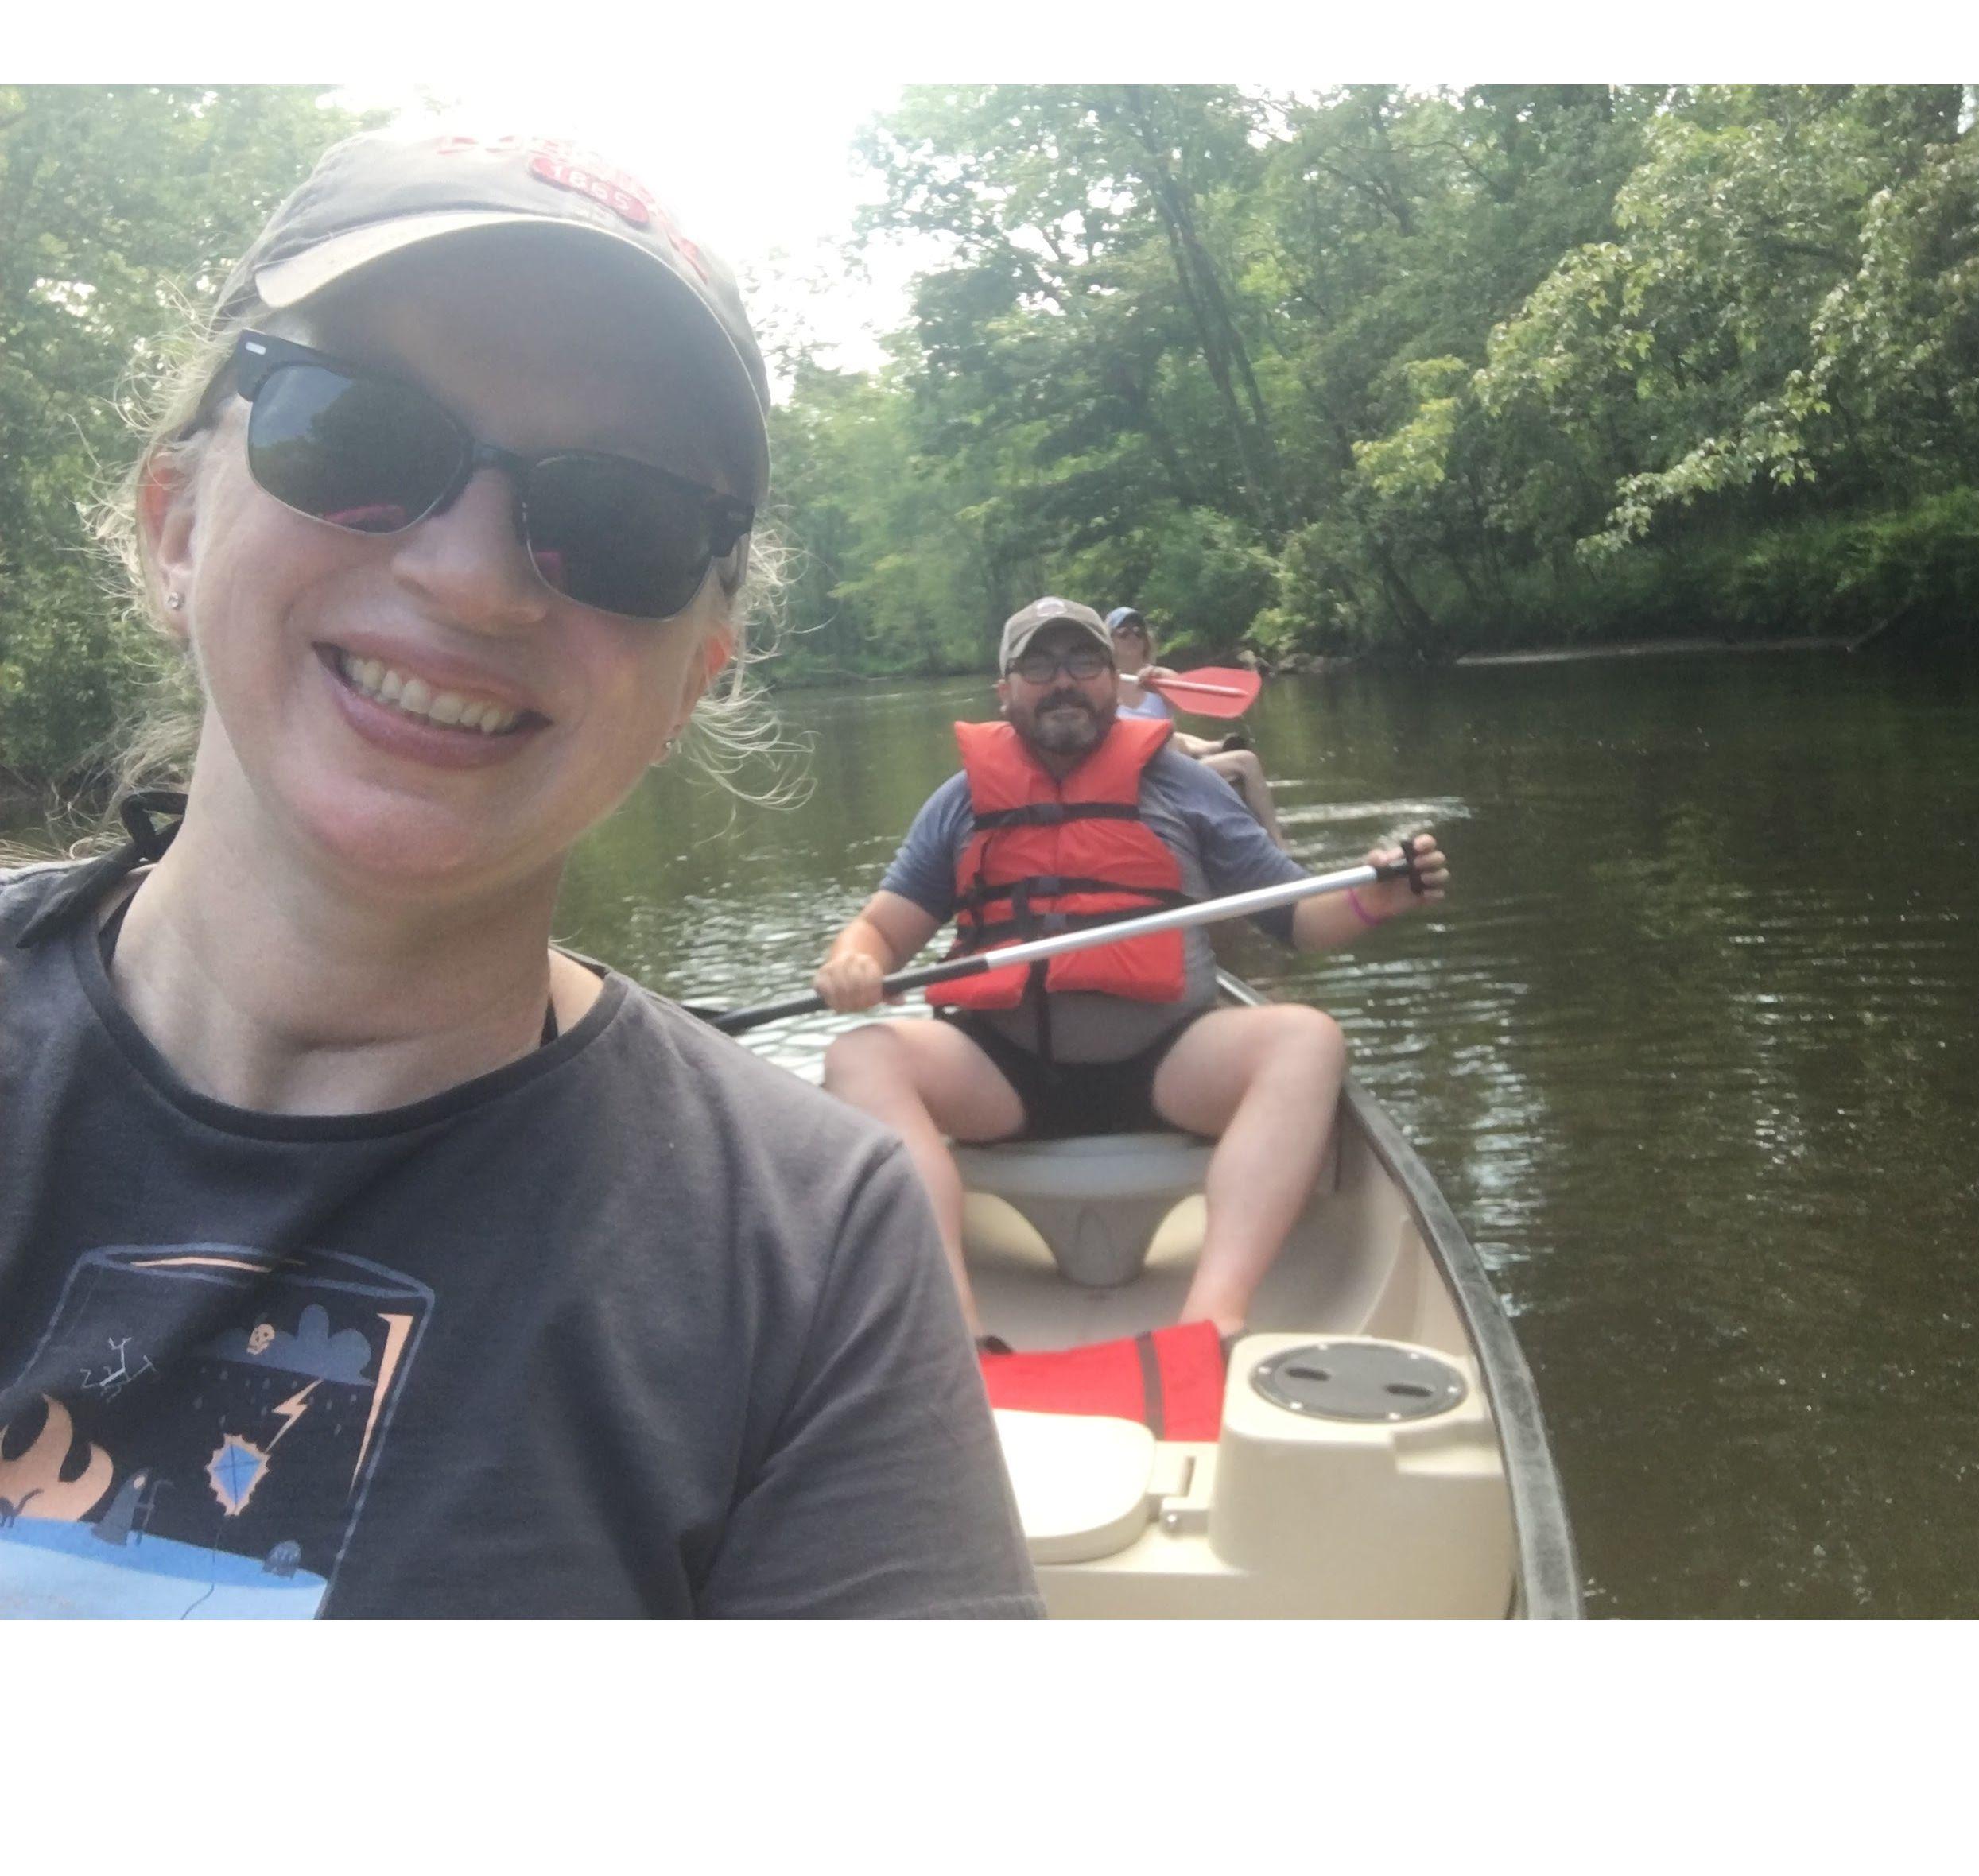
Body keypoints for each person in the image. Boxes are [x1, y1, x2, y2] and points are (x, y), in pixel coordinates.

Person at [0, 128, 1040, 1620]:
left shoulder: (807, 1251)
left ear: (694, 680)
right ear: (174, 526)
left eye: (620, 524)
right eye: (359, 437)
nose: (473, 579)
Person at [814, 598, 1448, 1347]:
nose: (1064, 683)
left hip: (1166, 1065)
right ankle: (953, 1333)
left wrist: (1376, 899)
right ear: (1005, 691)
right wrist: (854, 962)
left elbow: (1299, 919)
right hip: (1003, 1076)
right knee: (859, 1056)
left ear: (1114, 679)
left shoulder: (1188, 787)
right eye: (1039, 666)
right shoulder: (959, 804)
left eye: (1084, 663)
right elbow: (883, 929)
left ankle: (1211, 1324)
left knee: (1305, 1040)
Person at [1105, 605, 1287, 847]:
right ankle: (1213, 747)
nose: (1133, 637)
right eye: (1124, 632)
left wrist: (1163, 680)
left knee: (1247, 761)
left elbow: (1188, 700)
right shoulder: (1104, 685)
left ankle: (1278, 842)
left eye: (1138, 632)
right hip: (1138, 774)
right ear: (1109, 641)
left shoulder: (1160, 678)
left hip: (1175, 768)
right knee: (1181, 741)